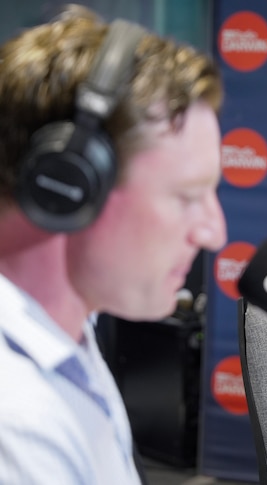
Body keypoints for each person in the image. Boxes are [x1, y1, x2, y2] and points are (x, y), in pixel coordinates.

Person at [0, 5, 226, 484]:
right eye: (187, 196)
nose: (213, 231)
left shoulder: (67, 342)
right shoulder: (17, 422)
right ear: (69, 185)